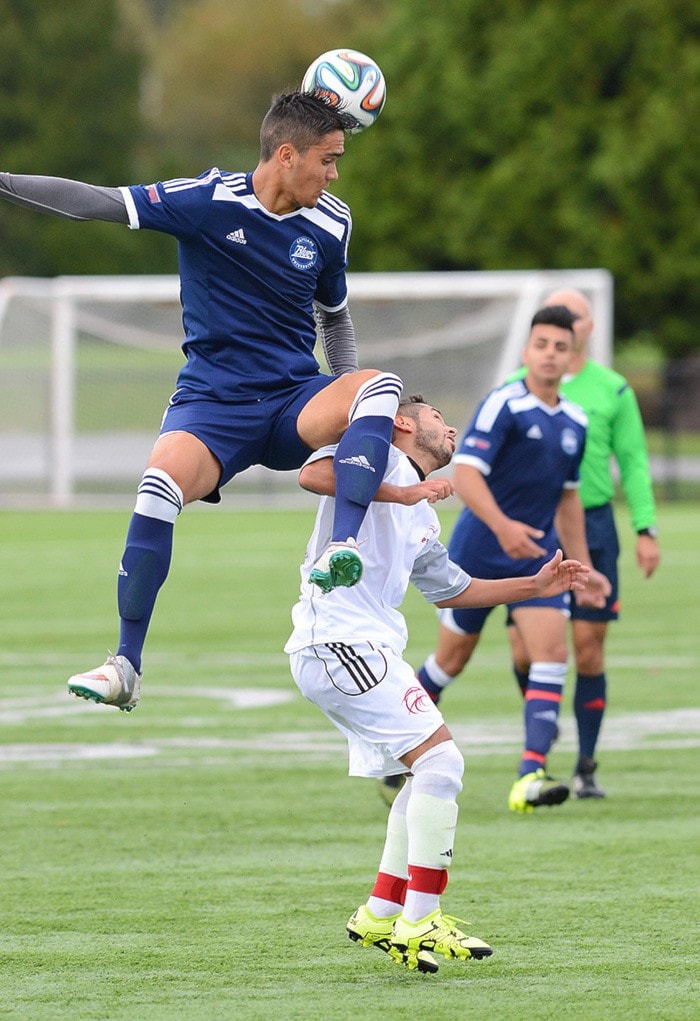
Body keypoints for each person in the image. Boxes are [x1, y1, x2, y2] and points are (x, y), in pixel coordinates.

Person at [0, 91, 403, 711]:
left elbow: (336, 322)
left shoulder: (332, 223)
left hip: (294, 400)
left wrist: (346, 413)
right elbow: (96, 204)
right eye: (328, 159)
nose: (335, 173)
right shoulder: (208, 201)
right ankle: (125, 666)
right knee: (158, 486)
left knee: (378, 383)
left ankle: (341, 547)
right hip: (213, 403)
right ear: (287, 155)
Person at [285, 394, 591, 973]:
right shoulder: (376, 458)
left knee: (425, 771)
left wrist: (537, 584)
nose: (450, 426)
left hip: (362, 647)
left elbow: (453, 590)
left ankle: (381, 911)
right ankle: (420, 919)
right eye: (436, 418)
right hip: (340, 643)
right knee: (444, 765)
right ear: (402, 422)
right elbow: (312, 472)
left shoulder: (423, 512)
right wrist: (402, 490)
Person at [415, 305, 611, 813]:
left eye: (560, 347)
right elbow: (468, 476)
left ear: (571, 358)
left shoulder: (575, 420)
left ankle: (530, 777)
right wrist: (503, 528)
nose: (550, 354)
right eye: (541, 344)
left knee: (551, 655)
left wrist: (585, 569)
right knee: (451, 661)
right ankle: (397, 748)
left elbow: (568, 499)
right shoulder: (503, 404)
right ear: (526, 352)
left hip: (537, 560)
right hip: (477, 554)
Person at [505, 288, 661, 798]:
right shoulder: (514, 388)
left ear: (587, 329)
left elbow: (634, 462)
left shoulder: (613, 390)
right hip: (534, 527)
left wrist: (645, 529)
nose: (564, 327)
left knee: (588, 652)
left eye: (575, 316)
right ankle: (539, 754)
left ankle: (586, 766)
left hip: (592, 526)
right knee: (526, 651)